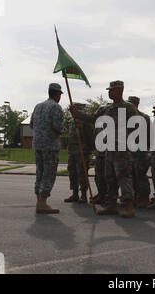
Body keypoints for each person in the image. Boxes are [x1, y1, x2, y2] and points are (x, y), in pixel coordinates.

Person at [98, 81, 138, 217]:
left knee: (123, 177)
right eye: (109, 90)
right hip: (109, 148)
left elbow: (137, 126)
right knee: (109, 177)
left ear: (120, 90)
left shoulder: (128, 107)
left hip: (122, 149)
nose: (109, 92)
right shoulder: (107, 109)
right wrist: (77, 114)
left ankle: (129, 205)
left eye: (111, 90)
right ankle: (112, 205)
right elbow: (93, 118)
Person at [29, 83, 64, 214]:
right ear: (57, 94)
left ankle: (39, 200)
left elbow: (32, 124)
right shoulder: (56, 107)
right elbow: (58, 126)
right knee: (49, 174)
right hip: (50, 146)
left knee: (40, 173)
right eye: (60, 94)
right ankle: (42, 203)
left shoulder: (38, 106)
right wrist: (63, 130)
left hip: (38, 144)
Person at [64, 103, 94, 204]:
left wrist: (90, 148)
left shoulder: (86, 122)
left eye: (74, 110)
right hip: (72, 151)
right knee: (72, 173)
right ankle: (75, 193)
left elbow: (91, 136)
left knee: (82, 174)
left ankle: (84, 195)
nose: (72, 113)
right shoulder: (72, 122)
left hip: (82, 151)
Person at [127, 96, 152, 208]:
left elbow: (149, 135)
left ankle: (145, 198)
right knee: (131, 175)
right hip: (129, 151)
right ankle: (136, 196)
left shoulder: (144, 117)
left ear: (137, 104)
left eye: (131, 103)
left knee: (140, 175)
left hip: (140, 152)